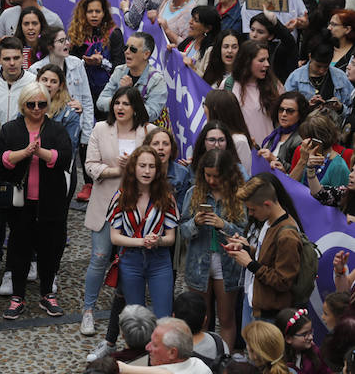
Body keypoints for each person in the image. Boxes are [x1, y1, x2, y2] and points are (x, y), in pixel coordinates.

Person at [0, 82, 73, 320]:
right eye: (31, 104)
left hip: (51, 200)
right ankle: (18, 295)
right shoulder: (11, 129)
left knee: (51, 248)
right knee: (19, 248)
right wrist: (26, 152)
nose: (37, 108)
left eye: (41, 104)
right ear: (23, 105)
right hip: (21, 202)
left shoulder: (56, 129)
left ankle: (47, 293)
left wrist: (40, 153)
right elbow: (2, 159)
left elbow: (65, 158)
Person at [81, 87, 156, 336]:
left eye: (125, 103)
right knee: (100, 257)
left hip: (139, 204)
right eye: (117, 103)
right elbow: (90, 165)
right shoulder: (101, 129)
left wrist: (134, 168)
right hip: (105, 201)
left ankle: (131, 310)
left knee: (134, 260)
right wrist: (118, 170)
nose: (120, 108)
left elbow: (158, 164)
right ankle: (88, 310)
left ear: (136, 107)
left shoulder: (149, 131)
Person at [179, 148, 247, 348]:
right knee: (201, 318)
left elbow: (245, 234)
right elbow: (182, 230)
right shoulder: (193, 193)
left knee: (226, 319)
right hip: (198, 263)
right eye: (207, 175)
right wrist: (195, 223)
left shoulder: (239, 195)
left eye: (216, 176)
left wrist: (223, 224)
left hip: (227, 263)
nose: (211, 180)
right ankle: (204, 358)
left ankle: (223, 359)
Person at [108, 144, 177, 318]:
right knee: (136, 317)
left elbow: (171, 238)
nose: (147, 171)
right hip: (131, 260)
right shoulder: (120, 197)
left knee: (164, 316)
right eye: (142, 166)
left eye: (152, 166)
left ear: (157, 170)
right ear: (133, 168)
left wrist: (158, 240)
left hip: (159, 260)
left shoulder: (167, 197)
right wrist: (142, 241)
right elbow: (115, 237)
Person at [225, 174, 302, 329]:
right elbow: (266, 257)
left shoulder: (287, 235)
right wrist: (246, 249)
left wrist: (249, 263)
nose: (251, 214)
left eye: (252, 209)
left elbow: (283, 281)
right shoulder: (268, 223)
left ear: (267, 204)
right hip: (256, 303)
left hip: (270, 315)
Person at [97, 32, 167, 123]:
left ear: (146, 54)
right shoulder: (119, 71)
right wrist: (118, 99)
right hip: (120, 129)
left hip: (146, 133)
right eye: (126, 48)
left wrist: (129, 94)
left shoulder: (157, 80)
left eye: (133, 49)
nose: (127, 52)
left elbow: (151, 114)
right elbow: (100, 102)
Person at [285, 42, 354, 114]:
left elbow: (351, 108)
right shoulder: (295, 78)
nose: (322, 70)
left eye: (326, 67)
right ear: (310, 56)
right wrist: (306, 107)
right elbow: (286, 106)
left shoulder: (340, 77)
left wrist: (340, 108)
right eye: (318, 66)